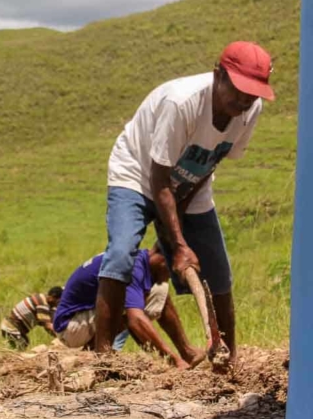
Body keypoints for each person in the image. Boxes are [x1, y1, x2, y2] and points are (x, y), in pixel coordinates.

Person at [94, 41, 275, 365]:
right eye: (238, 90)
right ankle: (103, 358)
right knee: (121, 255)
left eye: (253, 93)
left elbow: (211, 161)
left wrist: (183, 207)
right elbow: (158, 177)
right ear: (218, 74)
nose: (244, 100)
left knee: (218, 271)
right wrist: (176, 244)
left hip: (190, 181)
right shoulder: (182, 102)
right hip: (138, 173)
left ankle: (227, 360)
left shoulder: (250, 110)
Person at [54, 247, 205, 369]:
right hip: (70, 327)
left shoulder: (137, 260)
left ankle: (187, 352)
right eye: (172, 270)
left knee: (160, 292)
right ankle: (98, 353)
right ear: (163, 260)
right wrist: (174, 361)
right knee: (130, 306)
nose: (172, 276)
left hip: (81, 320)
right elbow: (136, 321)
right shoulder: (131, 267)